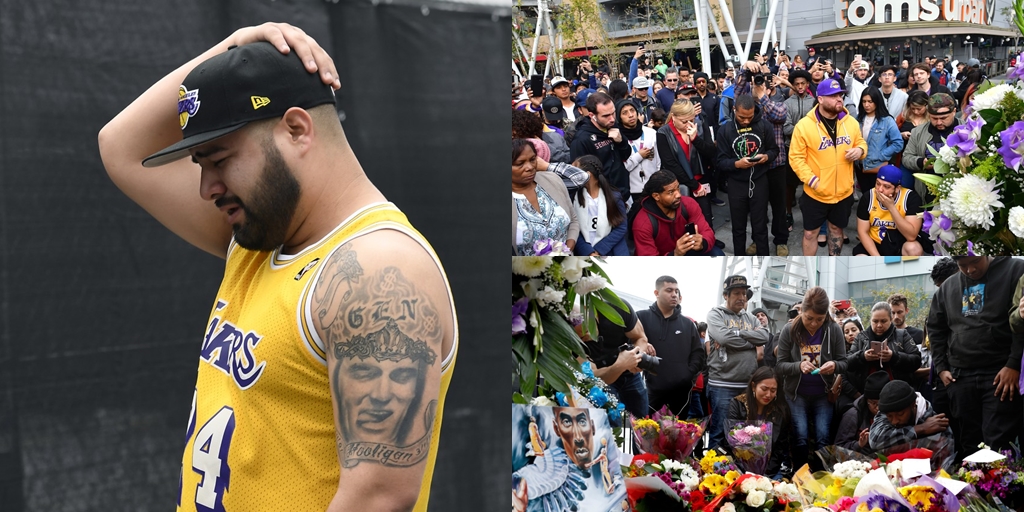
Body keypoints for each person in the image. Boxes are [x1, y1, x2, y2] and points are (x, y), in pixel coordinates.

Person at [98, 25, 456, 511]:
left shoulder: (378, 270)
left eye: (219, 159)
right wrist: (237, 45)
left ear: (296, 129)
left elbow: (378, 500)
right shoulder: (258, 238)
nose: (207, 187)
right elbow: (120, 146)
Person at [928, 257, 1024, 452]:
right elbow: (935, 328)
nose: (970, 270)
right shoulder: (947, 287)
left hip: (1000, 373)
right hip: (960, 377)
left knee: (998, 441)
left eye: (975, 262)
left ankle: (1002, 482)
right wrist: (941, 368)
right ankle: (974, 482)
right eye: (962, 265)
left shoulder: (1014, 268)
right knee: (969, 442)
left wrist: (1013, 364)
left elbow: (1019, 322)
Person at [789, 79, 867, 256]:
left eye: (840, 94)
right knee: (810, 233)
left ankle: (834, 263)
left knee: (836, 230)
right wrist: (812, 180)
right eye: (833, 96)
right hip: (815, 193)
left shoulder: (851, 123)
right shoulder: (804, 126)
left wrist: (860, 150)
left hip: (843, 192)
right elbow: (796, 158)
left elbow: (861, 142)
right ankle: (809, 269)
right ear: (820, 99)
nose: (839, 99)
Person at [775, 286, 848, 469]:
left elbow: (844, 362)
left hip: (824, 393)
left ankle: (822, 475)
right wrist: (798, 366)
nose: (814, 324)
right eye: (809, 318)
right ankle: (801, 475)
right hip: (796, 393)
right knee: (800, 436)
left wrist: (834, 366)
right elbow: (780, 365)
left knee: (823, 436)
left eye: (819, 319)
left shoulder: (833, 330)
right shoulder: (789, 330)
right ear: (801, 311)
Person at [705, 275, 771, 449]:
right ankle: (714, 470)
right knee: (719, 431)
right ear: (726, 295)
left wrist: (737, 333)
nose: (742, 297)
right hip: (722, 383)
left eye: (744, 293)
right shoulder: (715, 314)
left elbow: (764, 336)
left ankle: (737, 471)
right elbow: (723, 338)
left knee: (743, 433)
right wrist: (751, 341)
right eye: (736, 293)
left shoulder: (751, 318)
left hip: (746, 384)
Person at [716, 94, 780, 256]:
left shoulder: (764, 126)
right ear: (734, 110)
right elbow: (720, 161)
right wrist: (736, 164)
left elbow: (774, 150)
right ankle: (739, 259)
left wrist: (766, 157)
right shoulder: (725, 130)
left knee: (760, 226)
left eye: (749, 117)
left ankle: (764, 259)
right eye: (741, 117)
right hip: (736, 183)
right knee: (738, 228)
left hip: (759, 181)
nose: (745, 121)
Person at [638, 276, 706, 416]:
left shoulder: (688, 324)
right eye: (669, 290)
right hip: (652, 390)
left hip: (681, 393)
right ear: (656, 293)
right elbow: (628, 343)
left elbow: (698, 353)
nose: (674, 294)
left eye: (676, 291)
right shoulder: (641, 318)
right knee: (644, 433)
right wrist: (642, 344)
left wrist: (687, 375)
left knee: (679, 435)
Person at [583, 301, 654, 420]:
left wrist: (637, 357)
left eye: (585, 331)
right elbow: (595, 376)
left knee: (642, 421)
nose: (585, 337)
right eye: (580, 337)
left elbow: (640, 337)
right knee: (611, 420)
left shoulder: (617, 308)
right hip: (604, 376)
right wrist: (621, 364)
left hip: (630, 372)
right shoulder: (575, 340)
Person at [512, 139, 581, 255]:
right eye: (520, 163)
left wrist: (566, 250)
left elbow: (573, 220)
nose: (529, 167)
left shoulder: (553, 180)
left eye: (533, 160)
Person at [629, 170, 722, 256]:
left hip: (687, 251)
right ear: (656, 196)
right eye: (671, 192)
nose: (678, 195)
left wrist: (702, 243)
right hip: (664, 261)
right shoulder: (643, 224)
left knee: (716, 253)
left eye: (678, 188)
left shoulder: (688, 204)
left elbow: (707, 231)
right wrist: (675, 254)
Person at [657, 99, 717, 225]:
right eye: (684, 121)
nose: (689, 124)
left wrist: (695, 139)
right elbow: (671, 164)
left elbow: (711, 152)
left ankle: (708, 241)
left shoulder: (699, 125)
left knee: (705, 218)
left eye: (692, 119)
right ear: (673, 117)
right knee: (684, 221)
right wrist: (695, 185)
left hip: (701, 179)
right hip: (680, 184)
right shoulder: (663, 133)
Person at [726, 367, 792, 479]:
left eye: (773, 390)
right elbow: (730, 439)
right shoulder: (737, 404)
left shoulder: (779, 411)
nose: (768, 395)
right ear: (753, 386)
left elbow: (780, 448)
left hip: (769, 469)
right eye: (764, 389)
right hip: (739, 467)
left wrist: (766, 472)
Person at [846, 301, 922, 398]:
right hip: (868, 394)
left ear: (890, 320)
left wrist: (894, 357)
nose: (879, 325)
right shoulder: (861, 337)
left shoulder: (902, 335)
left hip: (898, 393)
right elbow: (847, 363)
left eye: (883, 321)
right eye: (875, 321)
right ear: (870, 320)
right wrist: (863, 357)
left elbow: (916, 360)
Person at [853, 166, 926, 256]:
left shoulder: (910, 198)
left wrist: (891, 207)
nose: (880, 190)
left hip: (899, 243)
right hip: (875, 242)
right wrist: (877, 259)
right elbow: (862, 232)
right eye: (878, 183)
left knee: (914, 249)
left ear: (897, 188)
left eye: (886, 187)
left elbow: (911, 236)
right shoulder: (868, 197)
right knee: (860, 258)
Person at [903, 93, 961, 202]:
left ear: (954, 112)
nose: (939, 122)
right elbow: (906, 157)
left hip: (957, 192)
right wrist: (921, 162)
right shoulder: (917, 132)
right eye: (934, 118)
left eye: (943, 118)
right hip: (926, 193)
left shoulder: (965, 130)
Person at [869, 380, 951, 452]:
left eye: (900, 414)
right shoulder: (887, 411)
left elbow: (946, 454)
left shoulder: (936, 422)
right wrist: (921, 428)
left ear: (913, 405)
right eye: (890, 416)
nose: (895, 421)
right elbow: (875, 441)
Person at [571, 155, 629, 256]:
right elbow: (572, 228)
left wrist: (599, 250)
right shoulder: (574, 197)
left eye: (575, 171)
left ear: (587, 175)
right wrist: (588, 251)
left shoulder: (613, 197)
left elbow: (621, 227)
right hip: (584, 252)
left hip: (611, 251)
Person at [855, 87, 903, 197]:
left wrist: (881, 155)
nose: (866, 105)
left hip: (877, 166)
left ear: (877, 101)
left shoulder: (887, 121)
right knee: (866, 195)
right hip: (860, 165)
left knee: (879, 196)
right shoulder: (858, 119)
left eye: (870, 102)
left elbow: (898, 143)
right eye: (864, 101)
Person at [835, 371, 889, 453]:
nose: (878, 407)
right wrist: (858, 444)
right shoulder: (853, 415)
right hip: (863, 460)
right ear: (866, 400)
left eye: (882, 403)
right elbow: (839, 448)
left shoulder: (895, 411)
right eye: (874, 403)